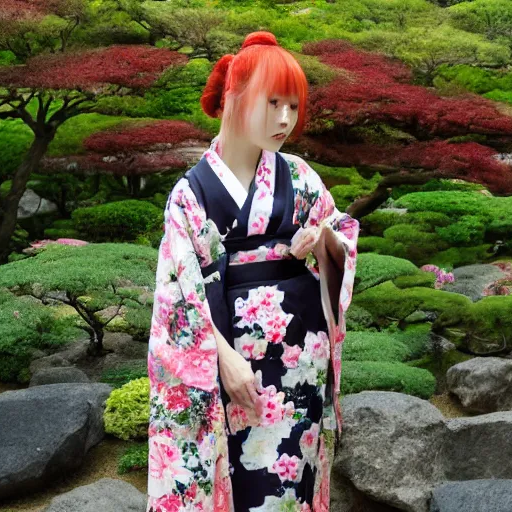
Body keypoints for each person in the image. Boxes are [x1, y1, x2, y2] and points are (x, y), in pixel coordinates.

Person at [146, 31, 359, 512]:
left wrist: (321, 239)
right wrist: (223, 360)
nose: (285, 119)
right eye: (274, 102)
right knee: (238, 488)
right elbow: (177, 296)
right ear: (235, 97)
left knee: (290, 489)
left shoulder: (299, 175)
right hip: (231, 367)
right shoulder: (191, 193)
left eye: (293, 105)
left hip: (300, 363)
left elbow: (339, 229)